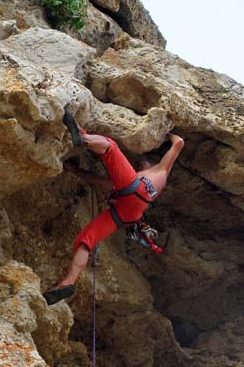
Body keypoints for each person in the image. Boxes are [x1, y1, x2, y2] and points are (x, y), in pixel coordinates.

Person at [43, 110, 184, 305]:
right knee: (87, 239)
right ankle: (68, 282)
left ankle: (83, 138)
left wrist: (165, 132)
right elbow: (101, 182)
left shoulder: (160, 169)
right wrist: (76, 170)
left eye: (142, 161)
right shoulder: (133, 179)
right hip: (129, 213)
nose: (138, 161)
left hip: (137, 196)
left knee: (111, 147)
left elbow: (179, 143)